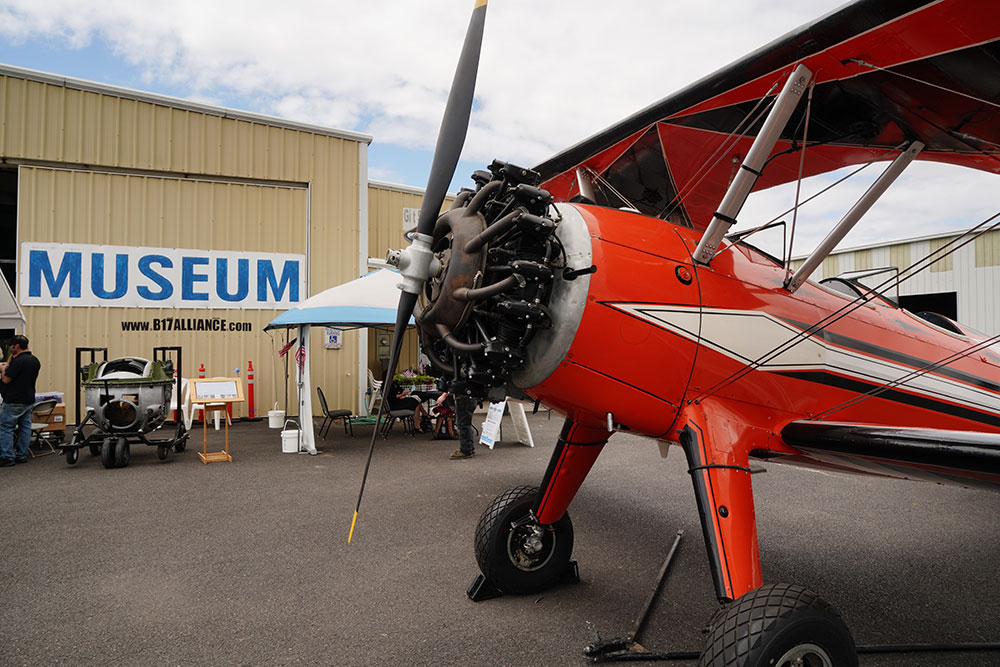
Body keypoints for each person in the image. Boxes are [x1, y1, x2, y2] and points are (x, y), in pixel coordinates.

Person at [0, 335, 42, 466]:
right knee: (25, 427)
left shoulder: (18, 362)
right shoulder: (35, 360)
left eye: (11, 346)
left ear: (16, 346)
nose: (9, 348)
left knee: (6, 427)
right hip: (28, 399)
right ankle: (21, 454)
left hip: (13, 399)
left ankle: (7, 456)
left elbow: (6, 379)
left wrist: (3, 369)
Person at [441, 392, 477, 460]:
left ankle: (465, 450)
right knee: (466, 423)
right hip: (470, 396)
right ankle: (469, 448)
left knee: (463, 424)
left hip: (463, 397)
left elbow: (456, 383)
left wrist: (444, 396)